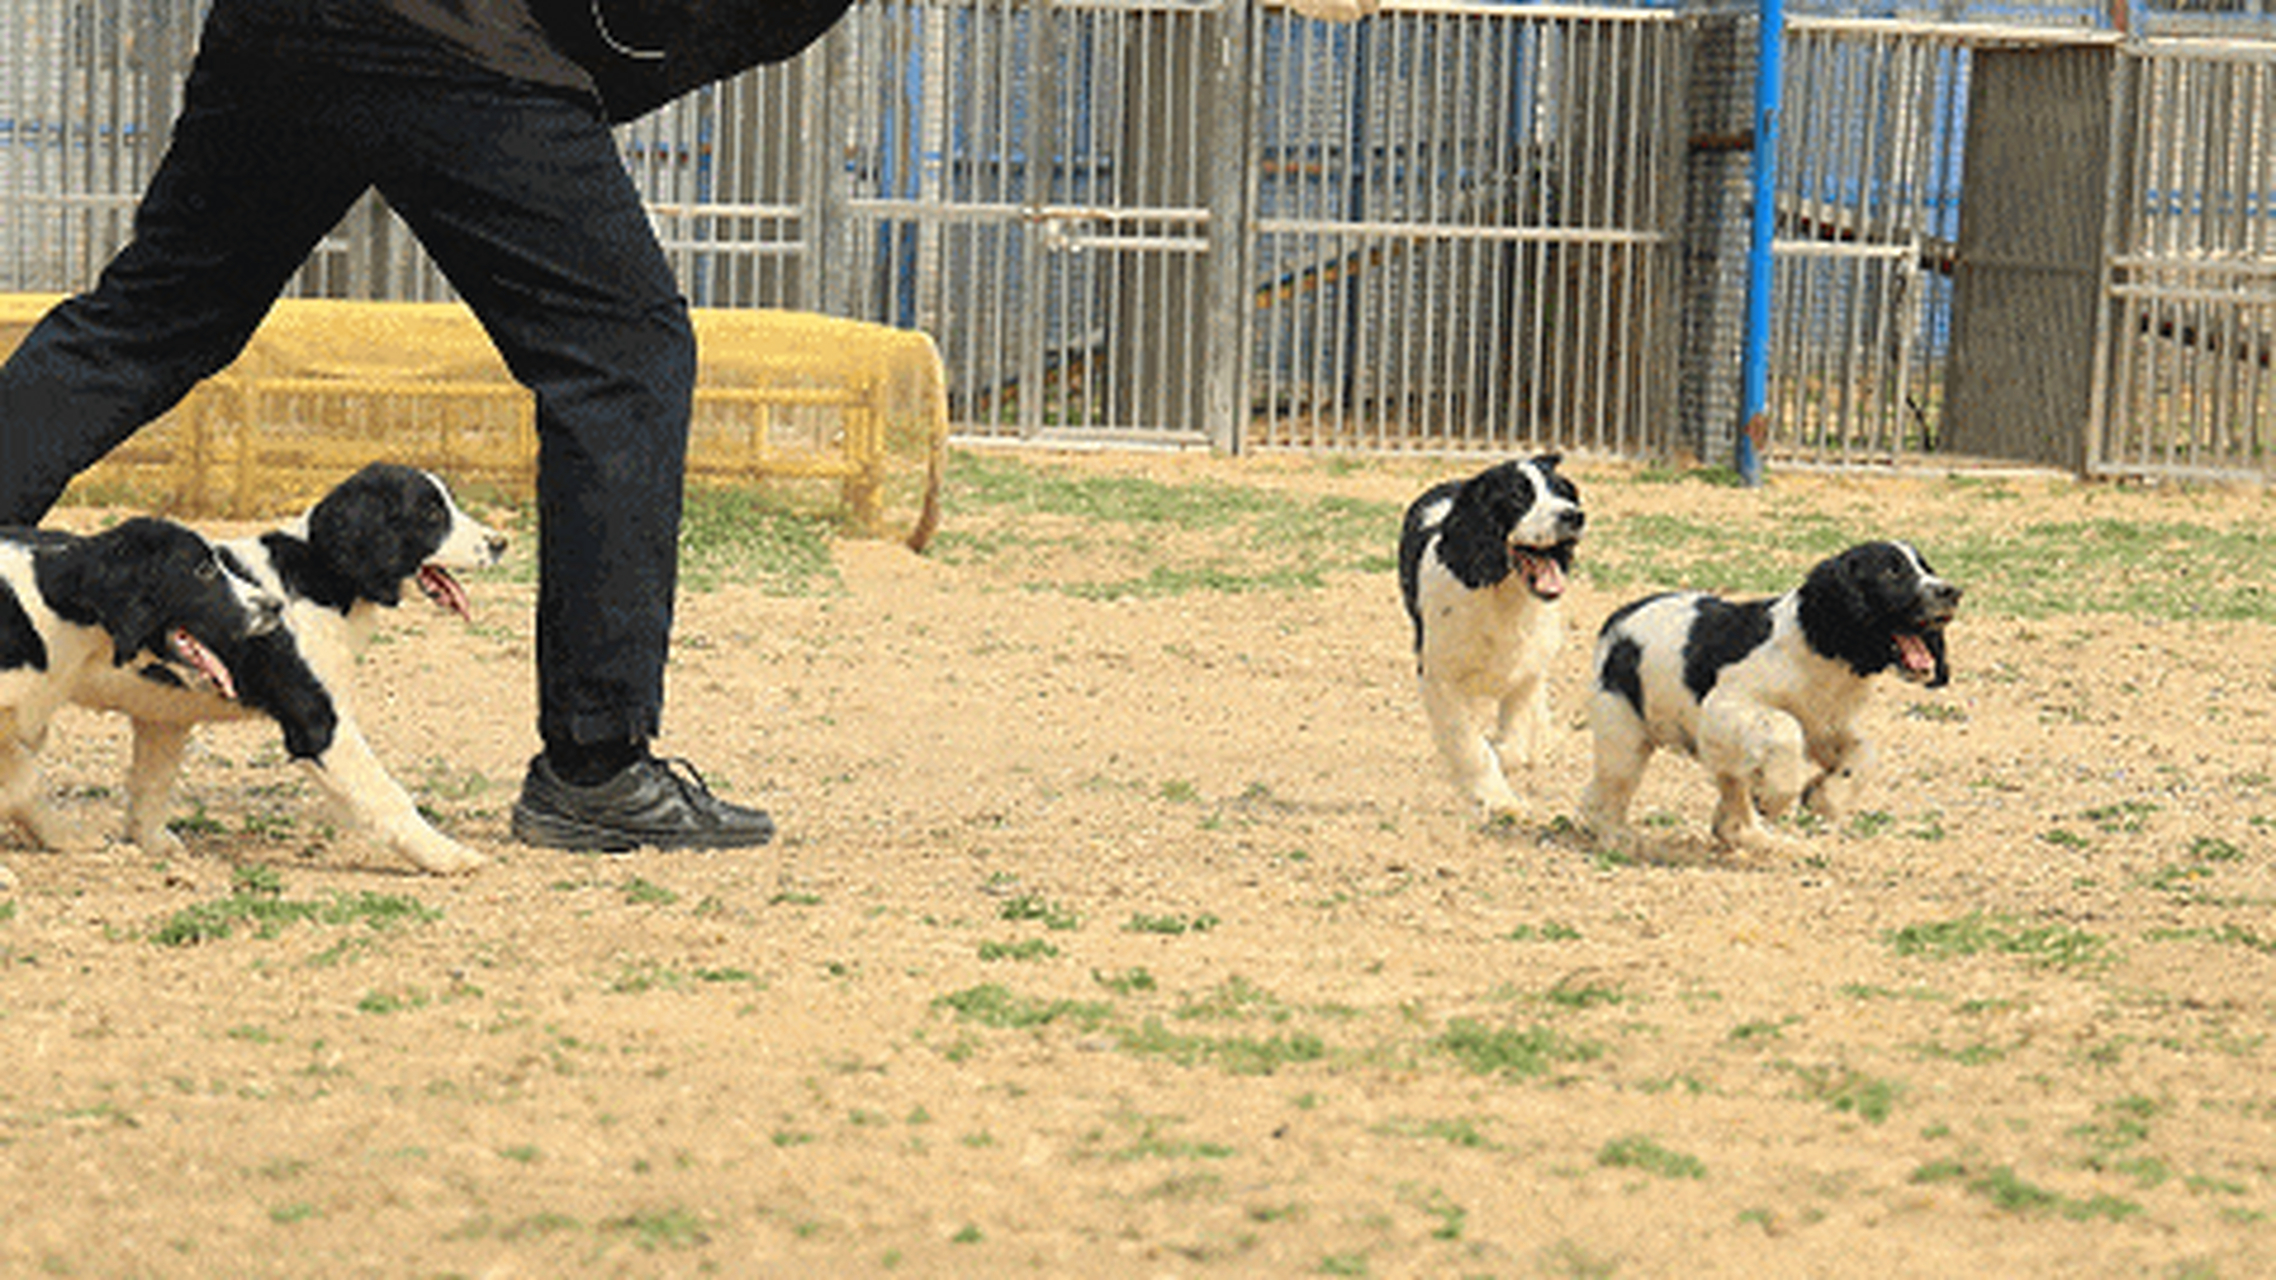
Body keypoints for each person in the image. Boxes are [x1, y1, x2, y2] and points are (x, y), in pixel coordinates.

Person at [0, 0, 853, 853]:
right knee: (623, 358)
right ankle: (598, 765)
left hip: (285, 22)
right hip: (453, 33)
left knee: (153, 317)